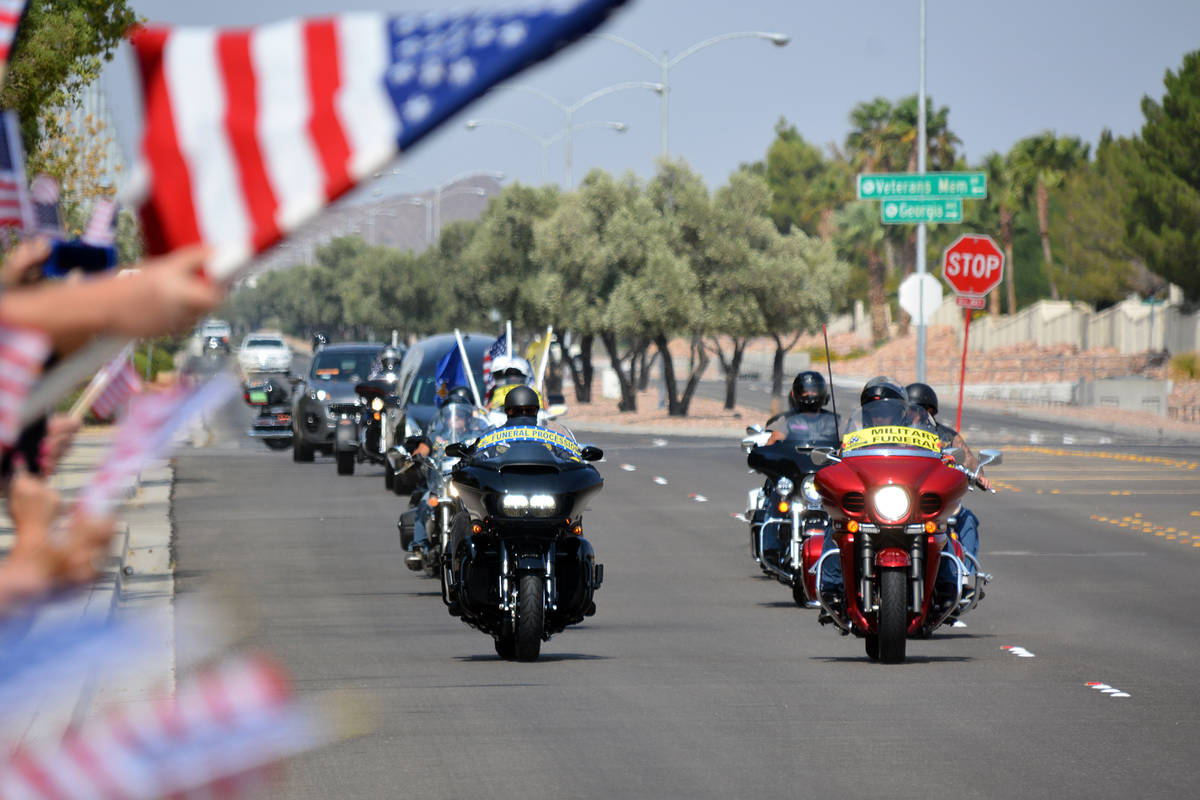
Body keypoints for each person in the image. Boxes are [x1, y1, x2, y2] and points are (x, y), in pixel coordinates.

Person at [905, 382, 990, 592]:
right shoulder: (894, 434)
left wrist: (979, 474)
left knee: (967, 519)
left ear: (930, 411)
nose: (914, 415)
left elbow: (968, 459)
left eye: (919, 410)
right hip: (904, 498)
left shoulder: (946, 436)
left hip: (933, 498)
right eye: (910, 410)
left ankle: (963, 576)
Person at [755, 371, 840, 563]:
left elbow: (849, 444)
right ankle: (771, 545)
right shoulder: (786, 421)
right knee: (779, 492)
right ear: (796, 394)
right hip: (797, 477)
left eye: (813, 390)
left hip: (823, 478)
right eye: (805, 390)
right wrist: (768, 454)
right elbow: (772, 443)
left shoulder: (836, 422)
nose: (810, 394)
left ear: (823, 393)